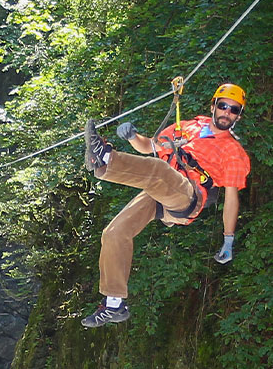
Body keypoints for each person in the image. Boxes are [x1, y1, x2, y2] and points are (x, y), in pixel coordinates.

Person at [78, 82, 252, 328]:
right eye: (223, 106)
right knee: (115, 233)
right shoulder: (190, 127)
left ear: (238, 116)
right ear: (213, 106)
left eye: (234, 110)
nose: (227, 113)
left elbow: (232, 198)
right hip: (163, 186)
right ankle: (115, 304)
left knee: (159, 171)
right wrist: (132, 136)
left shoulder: (233, 152)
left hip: (189, 196)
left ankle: (104, 157)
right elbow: (150, 147)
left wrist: (228, 238)